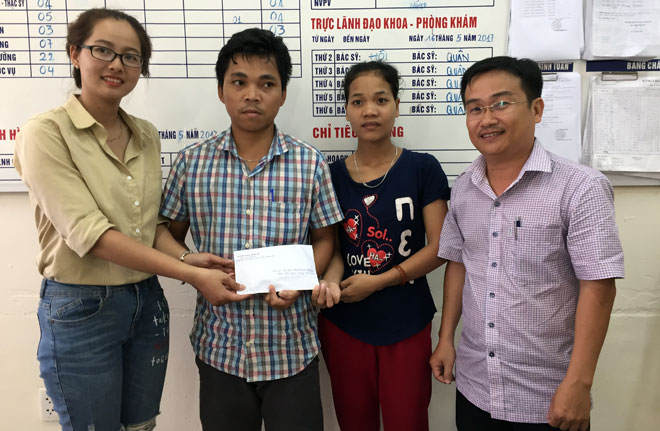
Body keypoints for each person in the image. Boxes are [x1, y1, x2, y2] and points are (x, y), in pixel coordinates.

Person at [14, 8, 240, 431]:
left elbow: (149, 226)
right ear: (74, 54)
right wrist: (190, 277)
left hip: (146, 300)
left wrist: (191, 260)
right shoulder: (44, 133)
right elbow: (93, 236)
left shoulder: (145, 134)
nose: (117, 64)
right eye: (103, 50)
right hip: (81, 305)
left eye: (131, 57)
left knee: (142, 426)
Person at [159, 28, 343, 431]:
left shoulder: (308, 163)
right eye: (239, 82)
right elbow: (165, 235)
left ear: (282, 93)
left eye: (266, 83)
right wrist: (191, 264)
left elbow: (325, 239)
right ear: (221, 90)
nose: (252, 94)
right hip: (220, 346)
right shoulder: (193, 163)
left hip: (291, 346)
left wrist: (301, 279)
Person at [430, 56, 624, 431]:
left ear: (536, 109)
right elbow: (459, 262)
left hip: (546, 396)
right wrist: (445, 338)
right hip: (475, 387)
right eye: (475, 108)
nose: (487, 118)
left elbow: (598, 285)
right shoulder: (465, 188)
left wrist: (579, 383)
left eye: (501, 103)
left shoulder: (581, 188)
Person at [318, 61, 450, 431]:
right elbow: (335, 249)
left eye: (380, 99)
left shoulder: (422, 169)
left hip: (406, 320)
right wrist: (330, 280)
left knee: (407, 421)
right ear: (346, 110)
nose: (370, 110)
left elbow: (441, 247)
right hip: (344, 322)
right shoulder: (329, 176)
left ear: (396, 105)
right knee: (353, 422)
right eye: (358, 102)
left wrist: (377, 282)